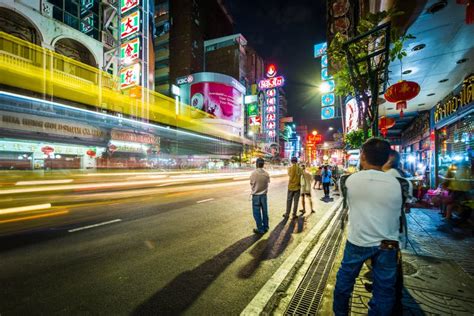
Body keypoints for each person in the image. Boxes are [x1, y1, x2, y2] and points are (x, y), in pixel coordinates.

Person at [333, 138, 404, 316]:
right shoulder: (401, 184)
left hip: (358, 240)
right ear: (387, 157)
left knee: (345, 281)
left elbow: (347, 203)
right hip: (389, 243)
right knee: (385, 289)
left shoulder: (347, 181)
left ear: (362, 156)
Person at [250, 158, 270, 234]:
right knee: (265, 212)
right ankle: (266, 227)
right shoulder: (266, 174)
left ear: (257, 164)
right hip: (264, 196)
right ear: (263, 164)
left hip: (256, 196)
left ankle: (260, 229)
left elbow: (252, 183)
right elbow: (267, 182)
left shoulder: (253, 173)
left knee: (257, 213)